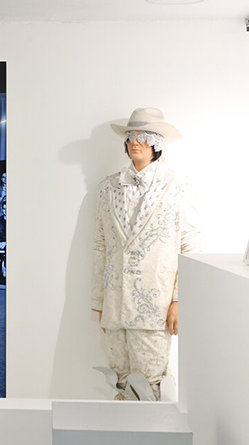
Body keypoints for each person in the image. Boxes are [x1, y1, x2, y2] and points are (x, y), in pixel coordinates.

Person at [92, 107, 201, 400]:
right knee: (119, 381)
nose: (135, 143)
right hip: (115, 304)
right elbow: (100, 245)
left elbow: (190, 244)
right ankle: (121, 429)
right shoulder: (108, 187)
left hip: (155, 305)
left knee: (151, 386)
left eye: (143, 137)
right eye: (130, 137)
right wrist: (99, 300)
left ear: (157, 143)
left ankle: (153, 429)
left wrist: (179, 299)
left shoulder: (177, 185)